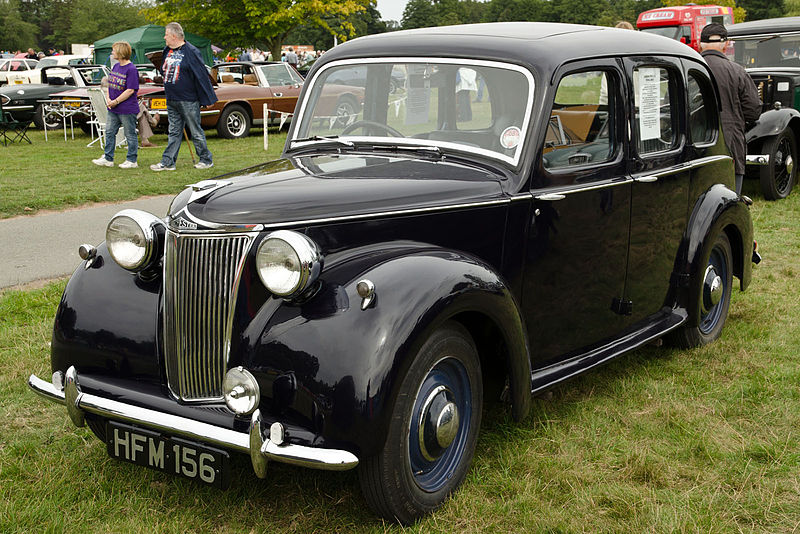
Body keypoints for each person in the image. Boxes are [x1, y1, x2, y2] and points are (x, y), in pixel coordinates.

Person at [700, 23, 761, 195]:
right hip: (730, 145)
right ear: (726, 44)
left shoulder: (689, 67)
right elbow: (753, 111)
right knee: (730, 198)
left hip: (695, 148)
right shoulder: (737, 71)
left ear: (700, 43)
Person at [151, 21, 217, 171]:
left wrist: (208, 98)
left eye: (166, 35)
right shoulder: (167, 50)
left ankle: (206, 159)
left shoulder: (191, 51)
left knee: (195, 130)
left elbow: (201, 75)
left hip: (188, 99)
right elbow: (163, 69)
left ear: (174, 36)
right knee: (174, 131)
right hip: (172, 98)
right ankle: (168, 162)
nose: (164, 37)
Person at [91, 41, 139, 169]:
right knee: (109, 132)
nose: (112, 53)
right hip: (113, 108)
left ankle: (132, 160)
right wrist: (108, 98)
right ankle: (108, 158)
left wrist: (116, 101)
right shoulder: (116, 67)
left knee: (130, 134)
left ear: (121, 52)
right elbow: (110, 84)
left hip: (127, 108)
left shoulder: (131, 69)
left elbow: (130, 90)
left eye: (114, 50)